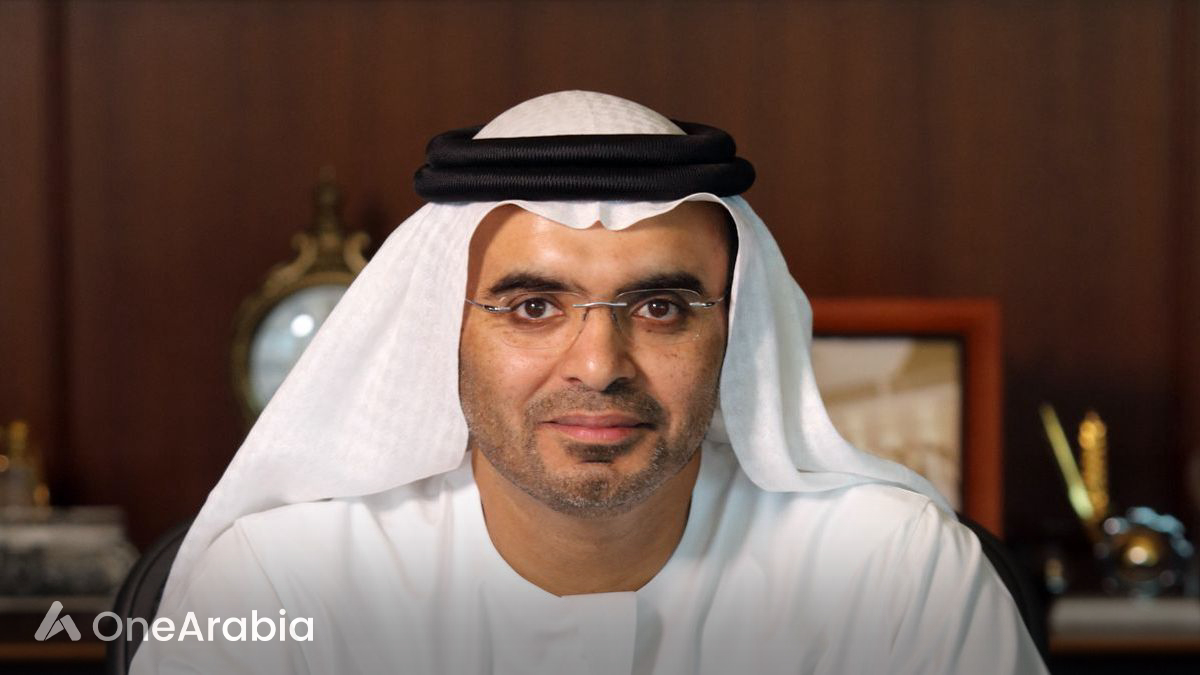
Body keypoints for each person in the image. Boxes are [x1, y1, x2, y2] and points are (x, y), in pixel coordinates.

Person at [131, 91, 1047, 674]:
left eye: (661, 307)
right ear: (444, 329)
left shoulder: (896, 572)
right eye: (534, 306)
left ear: (731, 329)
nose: (600, 365)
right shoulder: (281, 583)